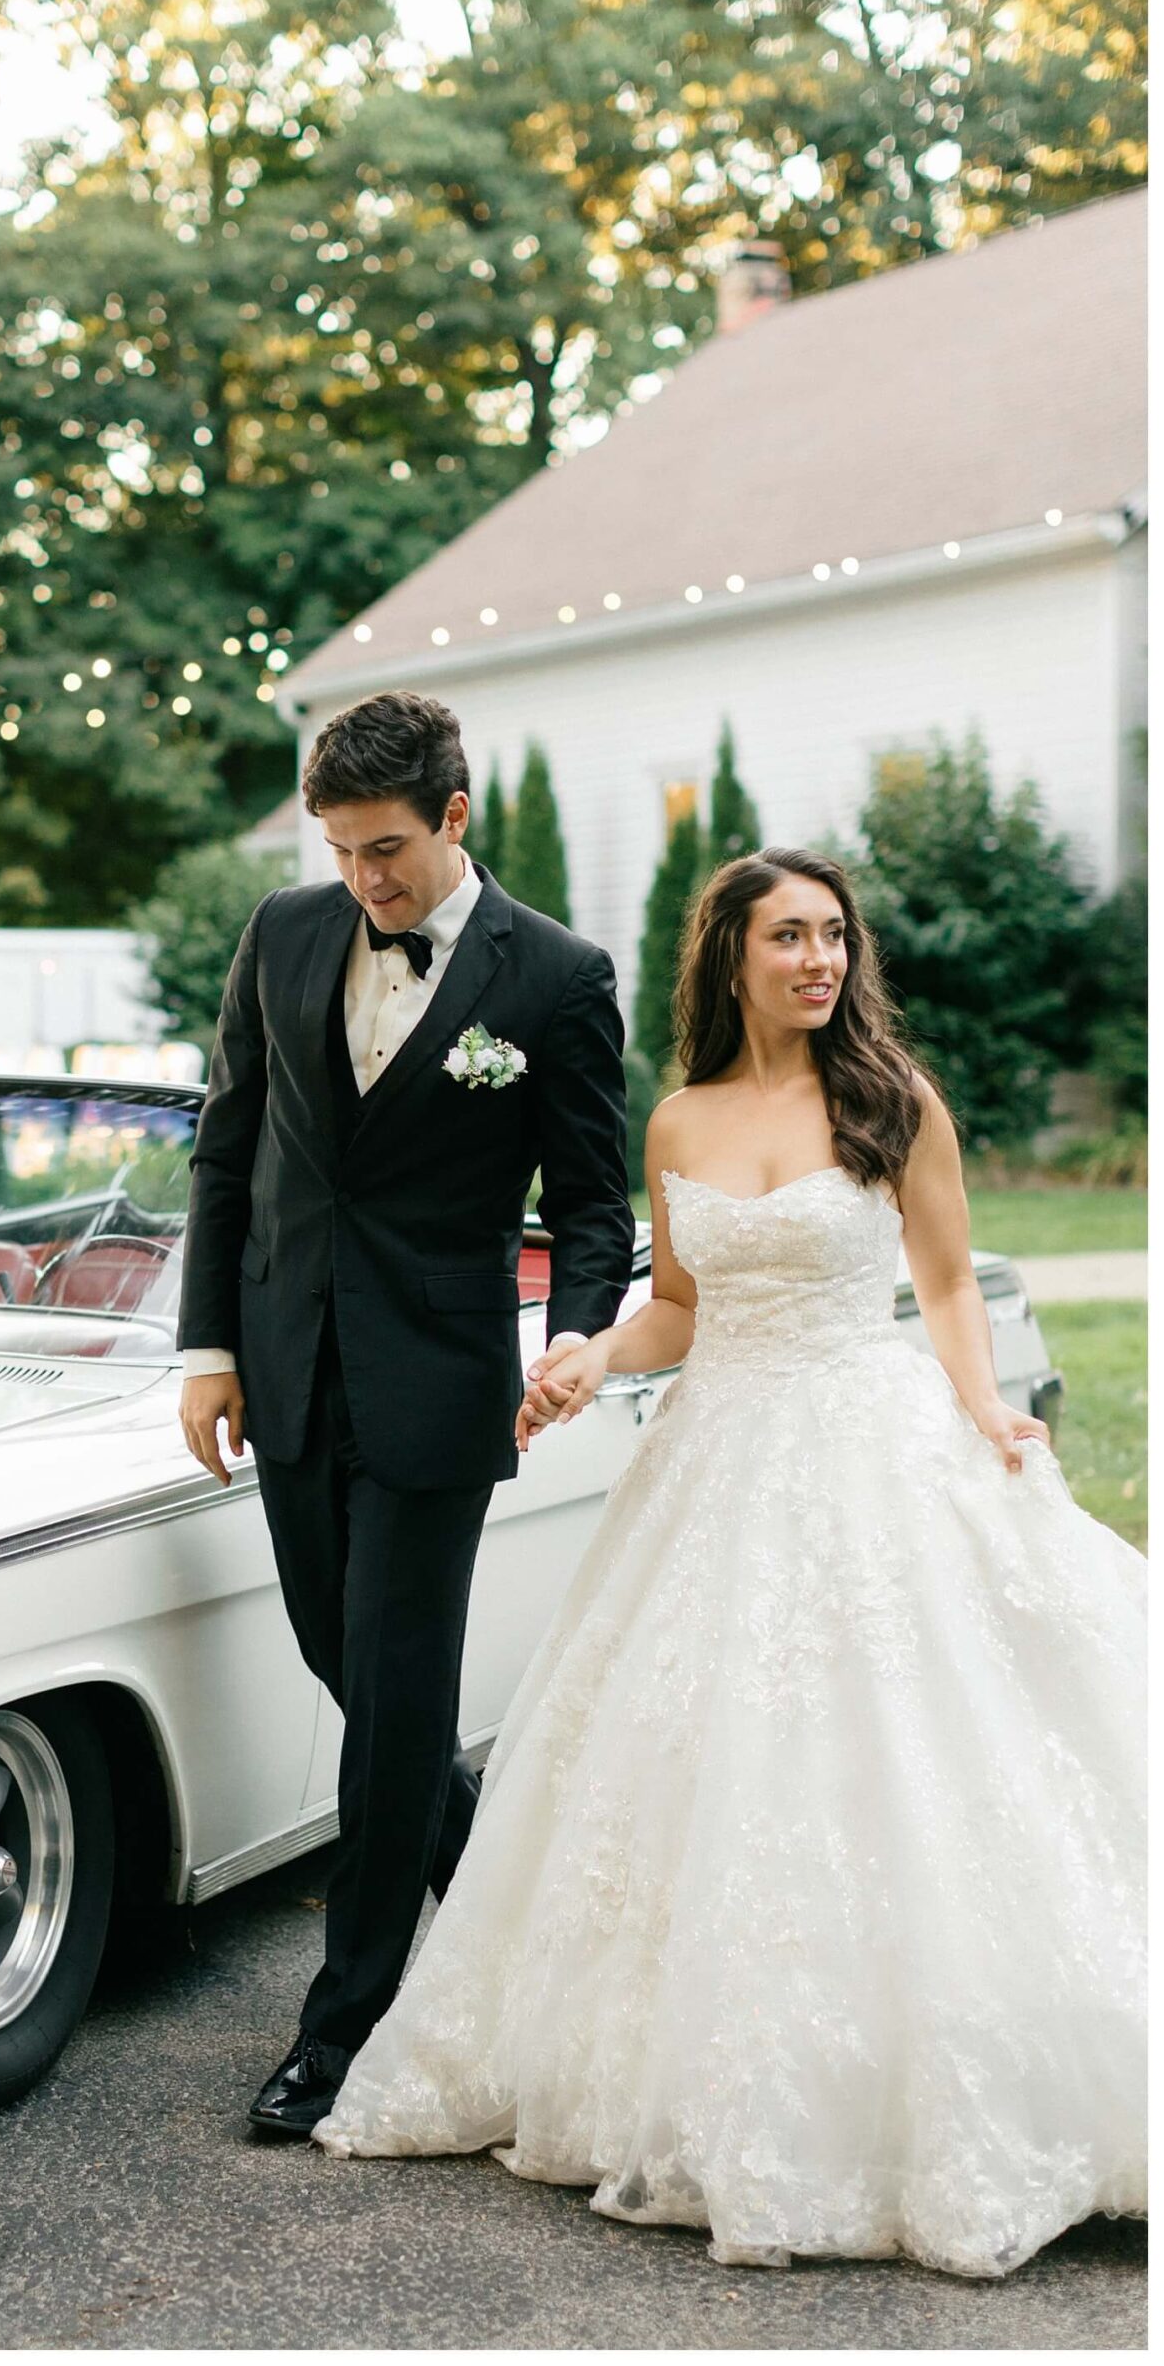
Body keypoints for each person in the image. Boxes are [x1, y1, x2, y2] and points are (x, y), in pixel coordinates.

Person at [313, 846, 1146, 2278]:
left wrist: (982, 1403)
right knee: (694, 1768)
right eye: (789, 939)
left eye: (832, 937)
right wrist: (588, 1351)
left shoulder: (891, 1100)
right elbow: (681, 1306)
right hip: (713, 1462)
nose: (818, 961)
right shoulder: (681, 1120)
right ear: (732, 958)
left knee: (898, 1752)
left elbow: (943, 1281)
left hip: (867, 1439)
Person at [177, 690, 631, 2137]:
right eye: (339, 853)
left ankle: (344, 2028)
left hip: (438, 1384)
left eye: (384, 850)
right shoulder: (283, 933)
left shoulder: (555, 975)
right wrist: (205, 1349)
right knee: (354, 1669)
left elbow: (595, 1202)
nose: (362, 881)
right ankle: (501, 1879)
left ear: (451, 817)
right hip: (286, 1360)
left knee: (392, 1685)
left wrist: (571, 1340)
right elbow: (224, 1154)